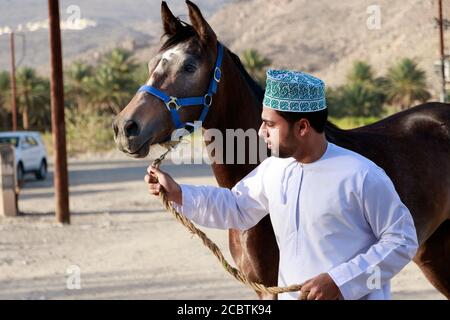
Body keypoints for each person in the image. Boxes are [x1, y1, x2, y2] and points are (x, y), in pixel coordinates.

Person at [144, 69, 418, 300]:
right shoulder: (275, 168)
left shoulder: (362, 175)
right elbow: (237, 207)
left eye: (269, 124)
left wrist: (340, 282)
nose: (261, 132)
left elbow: (401, 240)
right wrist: (179, 193)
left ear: (302, 128)